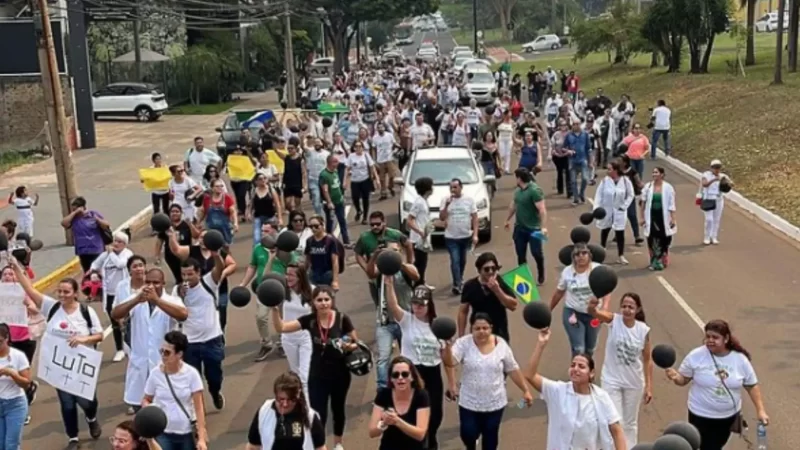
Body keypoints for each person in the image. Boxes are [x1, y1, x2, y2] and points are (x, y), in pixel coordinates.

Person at [11, 260, 104, 447]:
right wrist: (17, 269)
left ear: (75, 293)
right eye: (59, 291)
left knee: (87, 402)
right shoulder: (51, 307)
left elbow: (99, 335)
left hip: (81, 367)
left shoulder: (86, 312)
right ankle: (73, 437)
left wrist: (83, 340)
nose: (62, 295)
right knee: (67, 403)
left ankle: (91, 418)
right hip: (60, 367)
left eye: (66, 292)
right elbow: (30, 290)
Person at [271, 286, 360, 450]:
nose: (324, 303)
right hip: (318, 375)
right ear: (313, 302)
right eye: (319, 300)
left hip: (340, 374)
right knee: (318, 414)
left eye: (327, 299)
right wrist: (274, 309)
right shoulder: (309, 320)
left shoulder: (342, 319)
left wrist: (348, 346)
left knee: (338, 410)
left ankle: (338, 443)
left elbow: (356, 342)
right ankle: (321, 445)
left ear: (332, 301)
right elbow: (281, 328)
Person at [665, 320, 769, 450]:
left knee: (716, 445)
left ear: (726, 339)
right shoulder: (696, 356)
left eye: (715, 337)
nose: (710, 340)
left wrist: (760, 410)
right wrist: (676, 377)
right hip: (700, 415)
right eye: (707, 336)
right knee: (705, 446)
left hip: (727, 417)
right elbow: (683, 380)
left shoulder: (739, 359)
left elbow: (751, 385)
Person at [525, 328, 628, 450]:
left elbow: (617, 431)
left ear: (591, 373)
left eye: (581, 366)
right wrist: (541, 344)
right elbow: (530, 375)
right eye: (573, 365)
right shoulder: (557, 391)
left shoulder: (602, 397)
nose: (575, 369)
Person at [442, 313, 533, 450]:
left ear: (491, 328)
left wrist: (525, 390)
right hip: (469, 401)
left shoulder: (501, 344)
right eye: (477, 328)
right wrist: (447, 346)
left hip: (494, 402)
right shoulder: (463, 343)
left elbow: (512, 369)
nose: (481, 332)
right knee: (468, 434)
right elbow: (450, 362)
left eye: (485, 328)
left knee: (490, 439)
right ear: (471, 329)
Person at [111, 267, 188, 416]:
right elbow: (115, 313)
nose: (151, 286)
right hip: (140, 363)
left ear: (163, 284)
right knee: (141, 408)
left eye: (156, 283)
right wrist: (135, 301)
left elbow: (183, 315)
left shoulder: (172, 300)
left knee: (165, 406)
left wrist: (157, 301)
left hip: (164, 362)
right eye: (148, 282)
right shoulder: (137, 299)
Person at [384, 280, 450, 450]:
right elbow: (393, 305)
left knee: (434, 417)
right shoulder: (407, 320)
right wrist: (389, 283)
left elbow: (447, 361)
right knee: (412, 414)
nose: (417, 307)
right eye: (414, 303)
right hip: (411, 374)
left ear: (429, 305)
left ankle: (431, 441)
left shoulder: (439, 326)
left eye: (421, 304)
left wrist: (452, 383)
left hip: (432, 374)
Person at [588, 293, 653, 448]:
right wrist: (592, 305)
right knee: (614, 420)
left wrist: (649, 386)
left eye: (631, 307)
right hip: (612, 379)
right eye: (624, 306)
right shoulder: (614, 321)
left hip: (634, 382)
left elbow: (647, 359)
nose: (627, 310)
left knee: (630, 423)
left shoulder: (643, 330)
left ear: (638, 310)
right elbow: (594, 313)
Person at [173, 255, 228, 411]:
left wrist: (216, 253)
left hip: (212, 340)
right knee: (192, 379)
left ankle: (215, 391)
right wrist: (181, 298)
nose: (186, 278)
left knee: (214, 377)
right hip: (190, 343)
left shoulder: (209, 281)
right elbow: (175, 313)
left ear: (198, 273)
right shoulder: (177, 290)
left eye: (190, 274)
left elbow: (220, 267)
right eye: (183, 274)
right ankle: (197, 411)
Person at [143, 331, 208, 450]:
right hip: (163, 432)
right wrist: (147, 409)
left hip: (186, 432)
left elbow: (199, 408)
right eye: (161, 351)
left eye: (167, 353)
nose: (163, 355)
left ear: (179, 354)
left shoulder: (191, 374)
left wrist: (202, 438)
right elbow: (147, 398)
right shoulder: (155, 374)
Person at [549, 243, 610, 358]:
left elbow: (607, 289)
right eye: (577, 254)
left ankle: (586, 372)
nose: (581, 256)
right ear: (573, 257)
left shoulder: (598, 270)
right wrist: (548, 310)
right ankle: (576, 372)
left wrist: (605, 308)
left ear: (589, 255)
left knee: (590, 349)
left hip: (594, 314)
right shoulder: (567, 272)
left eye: (584, 253)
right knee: (579, 348)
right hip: (573, 313)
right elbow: (559, 292)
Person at [245, 372, 326, 450]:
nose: (285, 404)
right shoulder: (264, 411)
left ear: (297, 396)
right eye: (281, 399)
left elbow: (320, 447)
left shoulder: (310, 416)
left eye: (291, 399)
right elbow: (253, 446)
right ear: (275, 395)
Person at [368, 356, 431, 450]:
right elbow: (372, 432)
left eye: (405, 374)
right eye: (395, 375)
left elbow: (420, 434)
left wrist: (397, 421)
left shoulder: (421, 396)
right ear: (391, 379)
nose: (400, 378)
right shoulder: (384, 395)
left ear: (412, 377)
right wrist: (384, 423)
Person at [90, 231, 133, 363]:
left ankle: (131, 345)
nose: (116, 244)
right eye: (115, 241)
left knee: (128, 321)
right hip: (109, 294)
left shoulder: (128, 254)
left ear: (125, 244)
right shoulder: (107, 255)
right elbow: (94, 265)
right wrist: (95, 273)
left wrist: (111, 253)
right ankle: (119, 349)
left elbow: (121, 264)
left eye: (120, 242)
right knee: (114, 322)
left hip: (124, 293)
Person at [457, 252, 518, 344]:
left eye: (493, 268)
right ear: (479, 270)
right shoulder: (470, 286)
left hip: (499, 331)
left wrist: (497, 290)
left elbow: (513, 306)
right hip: (478, 331)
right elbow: (463, 311)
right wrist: (461, 337)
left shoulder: (501, 282)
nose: (490, 272)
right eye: (486, 269)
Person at [504, 168, 547, 285]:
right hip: (520, 228)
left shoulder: (535, 191)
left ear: (519, 178)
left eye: (516, 177)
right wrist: (507, 219)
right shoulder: (518, 191)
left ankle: (541, 272)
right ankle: (525, 278)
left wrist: (543, 227)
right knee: (520, 255)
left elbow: (542, 210)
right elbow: (513, 206)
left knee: (536, 253)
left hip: (534, 229)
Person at [440, 178, 478, 295]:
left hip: (465, 236)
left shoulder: (469, 200)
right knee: (455, 260)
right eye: (451, 187)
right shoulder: (445, 200)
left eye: (455, 187)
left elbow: (475, 217)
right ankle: (457, 284)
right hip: (451, 237)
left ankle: (459, 278)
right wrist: (446, 205)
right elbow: (442, 217)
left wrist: (475, 234)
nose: (453, 190)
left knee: (462, 260)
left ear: (461, 187)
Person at [594, 160, 634, 265]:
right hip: (607, 210)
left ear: (615, 170)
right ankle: (601, 252)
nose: (607, 171)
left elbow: (631, 195)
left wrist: (624, 206)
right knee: (605, 230)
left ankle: (621, 256)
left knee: (620, 233)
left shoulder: (625, 181)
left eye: (609, 169)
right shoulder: (605, 181)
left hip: (619, 211)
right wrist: (597, 209)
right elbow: (598, 195)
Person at [0, 323, 32, 450]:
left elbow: (26, 383)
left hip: (15, 403)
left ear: (7, 338)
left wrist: (13, 374)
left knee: (11, 445)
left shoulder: (18, 356)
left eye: (0, 341)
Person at [60, 196, 112, 272]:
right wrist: (74, 213)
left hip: (96, 249)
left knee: (97, 272)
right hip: (83, 250)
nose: (75, 211)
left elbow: (106, 225)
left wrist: (96, 219)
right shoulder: (74, 218)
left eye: (75, 208)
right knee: (87, 272)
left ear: (83, 207)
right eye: (73, 209)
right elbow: (64, 223)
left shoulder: (93, 214)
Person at [640, 167, 677, 270]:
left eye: (656, 172)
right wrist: (642, 217)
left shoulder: (668, 188)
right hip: (651, 218)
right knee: (652, 238)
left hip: (663, 218)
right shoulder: (648, 187)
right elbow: (643, 203)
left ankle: (663, 256)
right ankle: (654, 262)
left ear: (662, 174)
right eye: (653, 172)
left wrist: (673, 219)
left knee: (665, 238)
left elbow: (671, 205)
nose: (654, 174)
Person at [155, 205, 200, 284]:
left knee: (187, 273)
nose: (175, 213)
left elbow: (196, 236)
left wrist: (190, 225)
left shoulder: (186, 225)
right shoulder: (165, 225)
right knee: (178, 276)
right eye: (172, 212)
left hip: (186, 254)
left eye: (177, 211)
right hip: (171, 256)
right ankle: (180, 287)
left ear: (181, 213)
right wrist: (157, 256)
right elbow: (159, 241)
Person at [405, 177, 433, 287]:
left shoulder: (424, 201)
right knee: (420, 263)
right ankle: (417, 284)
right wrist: (420, 232)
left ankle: (421, 282)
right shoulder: (418, 203)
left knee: (423, 262)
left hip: (424, 237)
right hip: (418, 239)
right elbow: (409, 220)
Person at [344, 140, 379, 225]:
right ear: (354, 148)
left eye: (360, 146)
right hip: (355, 181)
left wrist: (377, 179)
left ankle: (365, 217)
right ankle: (359, 210)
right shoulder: (351, 156)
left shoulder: (366, 155)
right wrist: (344, 181)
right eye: (356, 146)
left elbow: (372, 167)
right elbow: (347, 169)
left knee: (365, 199)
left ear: (362, 147)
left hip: (365, 180)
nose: (358, 148)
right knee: (355, 197)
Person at [700, 159, 733, 245]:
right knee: (709, 219)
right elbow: (704, 184)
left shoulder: (723, 176)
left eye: (718, 168)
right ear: (711, 168)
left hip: (719, 200)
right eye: (715, 168)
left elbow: (731, 183)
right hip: (708, 199)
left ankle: (714, 237)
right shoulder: (706, 175)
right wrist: (714, 180)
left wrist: (727, 184)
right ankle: (706, 237)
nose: (717, 170)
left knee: (716, 219)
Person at [319, 155, 350, 247]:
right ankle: (328, 242)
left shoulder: (335, 172)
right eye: (335, 161)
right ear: (330, 162)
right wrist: (329, 202)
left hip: (339, 201)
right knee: (330, 223)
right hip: (331, 204)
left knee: (342, 221)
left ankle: (346, 241)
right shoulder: (324, 175)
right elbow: (325, 190)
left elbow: (337, 186)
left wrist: (341, 196)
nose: (337, 163)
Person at [197, 179, 238, 245]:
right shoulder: (207, 199)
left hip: (225, 229)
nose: (220, 188)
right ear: (212, 188)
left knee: (225, 248)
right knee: (211, 247)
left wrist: (235, 223)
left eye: (221, 186)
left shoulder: (227, 198)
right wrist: (198, 222)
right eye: (217, 186)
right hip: (210, 229)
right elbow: (203, 211)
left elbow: (233, 211)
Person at [303, 215, 340, 288]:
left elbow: (335, 261)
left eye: (316, 226)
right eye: (311, 226)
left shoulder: (330, 240)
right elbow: (307, 259)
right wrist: (303, 274)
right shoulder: (309, 241)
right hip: (313, 274)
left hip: (327, 274)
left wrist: (335, 280)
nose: (313, 229)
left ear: (322, 225)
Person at [250, 172, 283, 246]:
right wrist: (248, 212)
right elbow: (251, 203)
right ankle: (257, 254)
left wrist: (280, 218)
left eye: (264, 178)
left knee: (273, 238)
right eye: (260, 179)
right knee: (257, 239)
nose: (263, 180)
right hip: (258, 217)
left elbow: (277, 204)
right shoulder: (254, 191)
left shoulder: (271, 190)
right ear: (256, 182)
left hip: (270, 217)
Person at [564, 121, 592, 206]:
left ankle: (582, 193)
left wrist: (590, 161)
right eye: (574, 124)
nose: (576, 126)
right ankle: (576, 198)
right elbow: (564, 148)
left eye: (578, 124)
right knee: (573, 181)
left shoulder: (585, 134)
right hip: (572, 160)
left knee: (585, 178)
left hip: (583, 159)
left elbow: (589, 148)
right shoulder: (568, 135)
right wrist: (568, 151)